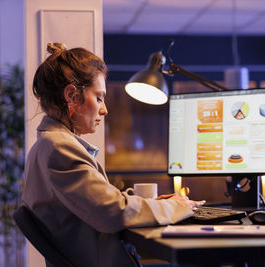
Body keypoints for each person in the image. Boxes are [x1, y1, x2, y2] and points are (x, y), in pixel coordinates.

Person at [22, 42, 205, 267]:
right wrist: (179, 207)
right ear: (71, 95)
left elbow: (102, 203)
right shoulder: (59, 149)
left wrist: (151, 203)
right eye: (99, 97)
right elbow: (114, 213)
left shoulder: (47, 146)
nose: (104, 109)